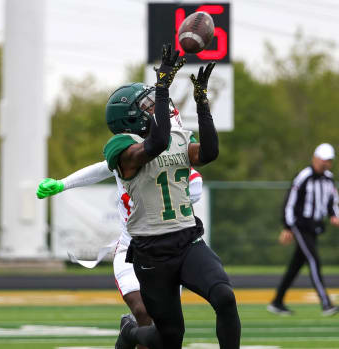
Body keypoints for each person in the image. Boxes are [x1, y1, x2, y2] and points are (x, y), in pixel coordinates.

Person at [102, 43, 240, 349]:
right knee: (169, 338)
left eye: (154, 100)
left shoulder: (177, 133)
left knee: (224, 297)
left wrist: (202, 104)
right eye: (147, 104)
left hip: (187, 239)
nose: (154, 106)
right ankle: (130, 333)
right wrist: (164, 87)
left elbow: (209, 152)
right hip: (151, 251)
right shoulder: (121, 148)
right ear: (130, 117)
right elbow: (156, 143)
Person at [36, 106, 204, 349]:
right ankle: (130, 331)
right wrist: (63, 184)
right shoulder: (130, 156)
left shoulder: (181, 169)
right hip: (131, 248)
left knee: (164, 333)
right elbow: (103, 167)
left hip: (168, 251)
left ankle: (128, 334)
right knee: (143, 313)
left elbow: (192, 186)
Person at [267, 143, 339, 317]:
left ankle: (277, 302)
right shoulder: (304, 176)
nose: (326, 164)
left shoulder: (329, 178)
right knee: (314, 260)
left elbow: (332, 199)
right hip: (300, 225)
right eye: (323, 160)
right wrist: (287, 226)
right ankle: (326, 304)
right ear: (315, 159)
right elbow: (290, 201)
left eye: (329, 161)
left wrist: (334, 214)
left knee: (295, 266)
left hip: (315, 227)